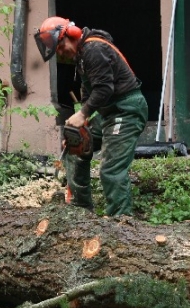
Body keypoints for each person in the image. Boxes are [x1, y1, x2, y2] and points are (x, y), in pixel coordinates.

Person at [34, 16, 148, 216]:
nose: (60, 54)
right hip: (108, 111)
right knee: (74, 147)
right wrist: (81, 124)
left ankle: (121, 221)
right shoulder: (82, 56)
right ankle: (81, 209)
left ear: (71, 34)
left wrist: (83, 113)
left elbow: (104, 89)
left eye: (60, 47)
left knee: (110, 169)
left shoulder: (94, 49)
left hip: (126, 110)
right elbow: (90, 90)